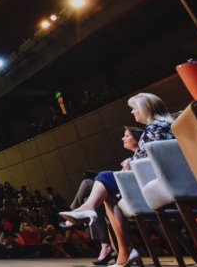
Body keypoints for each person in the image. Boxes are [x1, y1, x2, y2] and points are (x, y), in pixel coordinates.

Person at [59, 93, 175, 267]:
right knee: (106, 193)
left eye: (134, 108)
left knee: (103, 178)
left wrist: (132, 162)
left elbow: (153, 161)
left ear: (146, 108)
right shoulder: (163, 126)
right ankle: (123, 251)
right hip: (156, 183)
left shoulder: (155, 128)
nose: (133, 112)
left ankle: (90, 212)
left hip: (155, 185)